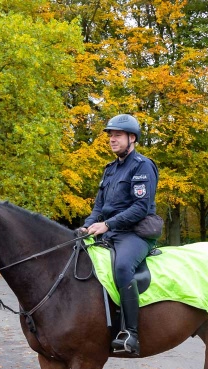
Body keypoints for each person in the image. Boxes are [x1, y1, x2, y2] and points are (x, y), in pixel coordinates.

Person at [79, 114, 159, 356]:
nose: (112, 140)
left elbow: (140, 207)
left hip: (135, 233)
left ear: (132, 138)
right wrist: (87, 226)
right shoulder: (110, 170)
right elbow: (99, 207)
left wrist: (108, 224)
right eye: (110, 136)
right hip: (110, 232)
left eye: (117, 135)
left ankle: (131, 334)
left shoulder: (142, 166)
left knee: (122, 267)